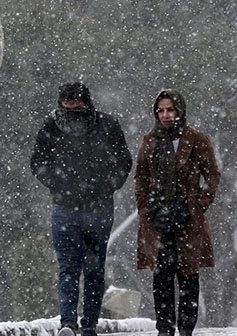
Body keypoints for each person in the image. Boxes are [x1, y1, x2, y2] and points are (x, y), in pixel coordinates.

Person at [30, 82, 132, 336]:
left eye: (77, 107)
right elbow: (38, 161)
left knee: (85, 269)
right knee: (77, 268)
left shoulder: (105, 125)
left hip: (90, 206)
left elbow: (122, 162)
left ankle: (83, 323)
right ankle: (73, 323)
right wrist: (61, 185)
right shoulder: (54, 126)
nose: (72, 114)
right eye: (68, 108)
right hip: (71, 206)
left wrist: (104, 187)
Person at [134, 89, 220, 336]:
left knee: (188, 276)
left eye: (170, 109)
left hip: (188, 219)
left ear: (179, 110)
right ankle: (164, 329)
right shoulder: (149, 140)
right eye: (160, 110)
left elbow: (212, 176)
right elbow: (141, 176)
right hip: (157, 219)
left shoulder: (195, 138)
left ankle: (186, 329)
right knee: (161, 275)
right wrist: (146, 207)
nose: (165, 115)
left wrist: (197, 204)